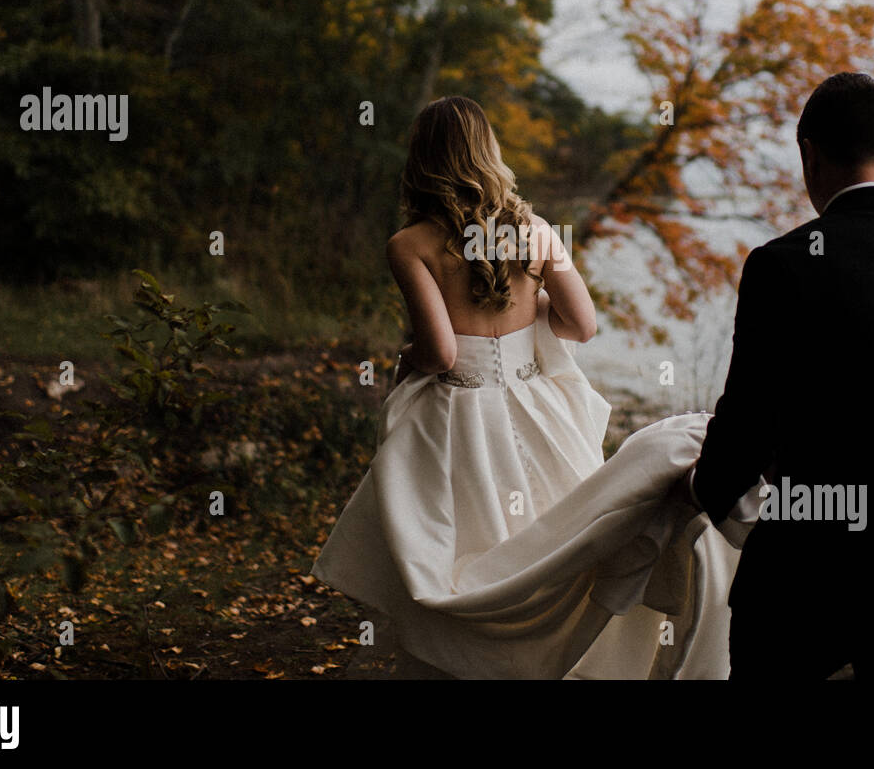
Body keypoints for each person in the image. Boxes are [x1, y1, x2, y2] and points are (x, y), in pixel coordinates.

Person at [311, 95, 757, 679]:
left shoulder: (409, 245)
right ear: (487, 153)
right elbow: (582, 325)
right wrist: (533, 304)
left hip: (461, 423)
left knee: (471, 557)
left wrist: (405, 357)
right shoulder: (537, 231)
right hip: (538, 411)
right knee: (559, 549)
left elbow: (442, 353)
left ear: (421, 161)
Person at [690, 72, 874, 680]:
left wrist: (707, 490)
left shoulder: (782, 268)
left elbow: (743, 432)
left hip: (810, 597)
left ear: (810, 155)